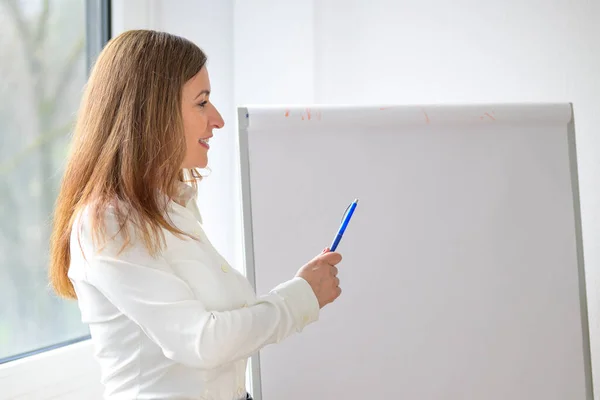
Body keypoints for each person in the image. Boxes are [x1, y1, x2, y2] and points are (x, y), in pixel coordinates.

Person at [49, 29, 343, 400]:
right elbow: (201, 341)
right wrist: (301, 297)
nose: (217, 119)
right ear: (152, 112)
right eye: (202, 102)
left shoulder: (174, 205)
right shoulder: (107, 224)